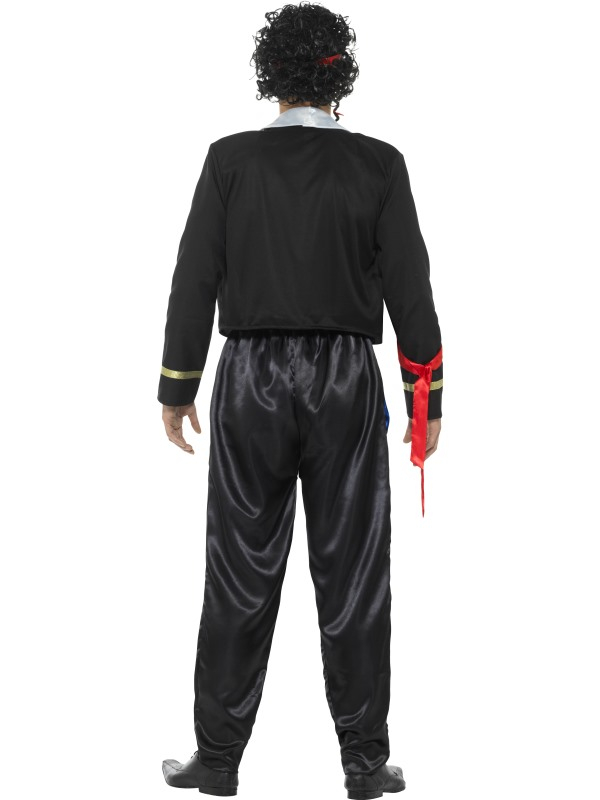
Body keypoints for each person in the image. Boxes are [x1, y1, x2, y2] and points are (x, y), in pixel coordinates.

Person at [158, 3, 443, 797]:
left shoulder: (230, 160)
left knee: (238, 569)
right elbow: (411, 290)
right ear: (339, 74)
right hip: (346, 377)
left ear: (270, 72)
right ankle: (365, 766)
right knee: (354, 572)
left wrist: (178, 385)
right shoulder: (380, 165)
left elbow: (194, 278)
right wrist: (427, 399)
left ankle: (218, 761)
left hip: (249, 376)